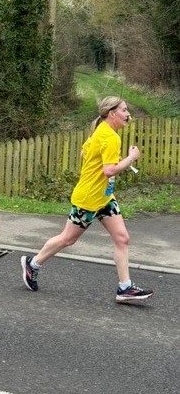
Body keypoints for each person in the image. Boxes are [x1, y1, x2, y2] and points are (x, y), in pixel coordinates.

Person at [20, 96, 153, 304]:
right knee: (68, 239)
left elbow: (84, 153)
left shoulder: (100, 130)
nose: (128, 115)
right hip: (88, 199)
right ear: (112, 114)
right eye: (125, 110)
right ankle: (33, 264)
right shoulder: (110, 137)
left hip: (104, 197)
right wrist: (131, 158)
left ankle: (125, 287)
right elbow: (109, 170)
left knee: (122, 238)